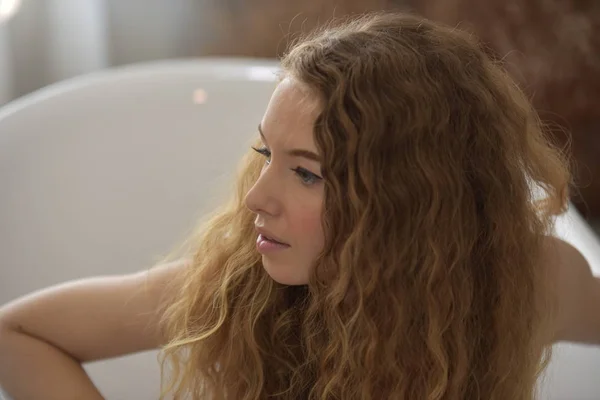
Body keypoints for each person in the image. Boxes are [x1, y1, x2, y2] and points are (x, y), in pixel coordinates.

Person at [0, 11, 599, 400]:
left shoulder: (527, 282)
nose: (258, 197)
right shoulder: (238, 287)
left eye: (306, 174)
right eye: (266, 154)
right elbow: (19, 333)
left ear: (402, 206)